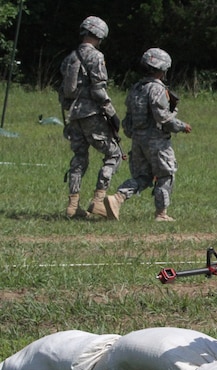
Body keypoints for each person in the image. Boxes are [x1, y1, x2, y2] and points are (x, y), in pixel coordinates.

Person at [103, 48, 192, 222]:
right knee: (166, 174)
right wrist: (182, 126)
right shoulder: (157, 89)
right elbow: (163, 118)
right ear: (162, 68)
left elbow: (128, 121)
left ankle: (117, 198)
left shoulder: (136, 88)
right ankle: (161, 214)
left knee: (143, 176)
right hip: (157, 141)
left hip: (138, 140)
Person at [58, 16, 122, 219]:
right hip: (91, 114)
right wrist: (111, 113)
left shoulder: (70, 57)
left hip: (73, 115)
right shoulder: (96, 57)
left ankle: (73, 205)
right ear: (101, 35)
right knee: (114, 154)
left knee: (79, 158)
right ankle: (98, 200)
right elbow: (98, 89)